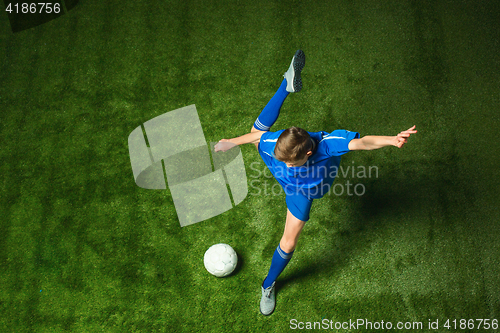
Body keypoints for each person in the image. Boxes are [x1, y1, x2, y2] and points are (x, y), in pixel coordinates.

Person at [214, 50, 417, 316]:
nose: (287, 163)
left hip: (302, 190)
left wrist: (391, 139)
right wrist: (230, 142)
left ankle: (267, 283)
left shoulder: (329, 145)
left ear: (308, 154)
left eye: (291, 162)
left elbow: (363, 142)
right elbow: (257, 138)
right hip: (287, 177)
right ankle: (269, 283)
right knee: (257, 136)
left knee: (288, 242)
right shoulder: (276, 146)